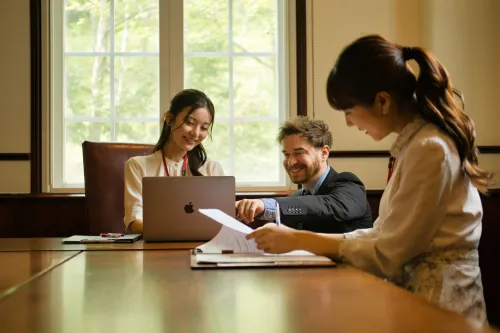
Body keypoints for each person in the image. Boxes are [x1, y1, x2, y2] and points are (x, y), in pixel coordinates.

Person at [247, 34, 491, 322]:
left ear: (382, 101)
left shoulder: (430, 150)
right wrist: (300, 240)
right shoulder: (417, 146)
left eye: (349, 111)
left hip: (442, 303)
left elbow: (388, 252)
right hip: (418, 297)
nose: (349, 122)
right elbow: (382, 233)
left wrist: (300, 239)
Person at [236, 116, 373, 233]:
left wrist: (267, 205)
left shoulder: (349, 185)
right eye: (287, 154)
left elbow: (323, 206)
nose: (290, 162)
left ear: (324, 153)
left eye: (299, 153)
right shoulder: (295, 198)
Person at [124, 89, 224, 234]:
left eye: (203, 128)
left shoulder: (212, 168)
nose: (195, 133)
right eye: (189, 122)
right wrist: (179, 230)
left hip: (201, 249)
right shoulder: (138, 166)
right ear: (169, 118)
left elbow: (220, 222)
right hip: (154, 250)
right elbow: (135, 222)